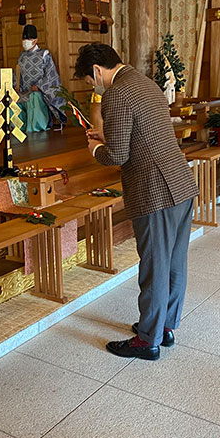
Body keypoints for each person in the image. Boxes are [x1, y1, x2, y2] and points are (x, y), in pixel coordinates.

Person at [74, 43, 199, 361]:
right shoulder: (145, 82)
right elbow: (141, 133)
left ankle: (148, 341)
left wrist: (94, 150)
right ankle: (164, 327)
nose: (95, 88)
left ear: (97, 71)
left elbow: (117, 154)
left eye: (91, 82)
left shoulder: (115, 93)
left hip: (155, 191)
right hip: (181, 184)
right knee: (173, 262)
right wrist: (108, 136)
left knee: (154, 266)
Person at [17, 24, 67, 132]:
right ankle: (21, 127)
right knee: (12, 100)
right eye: (24, 39)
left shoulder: (44, 54)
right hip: (25, 91)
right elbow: (18, 74)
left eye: (29, 39)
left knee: (34, 97)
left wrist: (39, 86)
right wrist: (15, 86)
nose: (26, 41)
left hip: (40, 91)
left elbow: (50, 75)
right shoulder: (22, 56)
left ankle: (37, 127)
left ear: (35, 40)